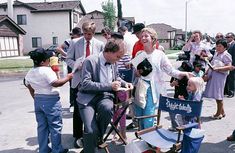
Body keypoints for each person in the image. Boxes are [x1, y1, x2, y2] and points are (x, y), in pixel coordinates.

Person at [77, 38, 133, 153]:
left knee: (107, 108)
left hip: (105, 97)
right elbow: (86, 84)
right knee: (90, 130)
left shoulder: (114, 62)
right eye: (118, 56)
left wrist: (124, 83)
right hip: (87, 98)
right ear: (109, 51)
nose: (119, 59)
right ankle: (93, 143)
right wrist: (109, 86)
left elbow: (116, 77)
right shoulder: (90, 60)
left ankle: (92, 143)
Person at [132, 28, 192, 130]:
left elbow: (170, 71)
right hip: (140, 88)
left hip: (153, 89)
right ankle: (143, 138)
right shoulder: (139, 54)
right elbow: (135, 73)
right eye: (142, 36)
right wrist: (137, 73)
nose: (143, 38)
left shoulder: (160, 55)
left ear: (153, 39)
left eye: (146, 36)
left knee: (149, 116)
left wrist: (184, 73)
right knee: (140, 115)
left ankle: (150, 139)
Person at [24, 48, 73, 153]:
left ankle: (43, 149)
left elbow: (28, 85)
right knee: (55, 126)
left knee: (42, 127)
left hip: (38, 100)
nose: (49, 60)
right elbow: (56, 83)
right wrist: (68, 77)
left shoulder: (30, 72)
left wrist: (36, 97)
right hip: (51, 101)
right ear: (43, 61)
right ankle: (57, 150)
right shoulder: (46, 70)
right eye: (48, 59)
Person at [66, 21, 104, 148]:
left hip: (93, 81)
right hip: (78, 80)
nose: (87, 36)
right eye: (85, 33)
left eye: (90, 34)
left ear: (94, 33)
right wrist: (76, 66)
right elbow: (68, 59)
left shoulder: (100, 44)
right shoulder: (74, 42)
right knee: (78, 109)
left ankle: (95, 135)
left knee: (94, 108)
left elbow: (102, 61)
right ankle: (77, 136)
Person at [203, 39, 234, 119]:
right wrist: (206, 73)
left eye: (220, 46)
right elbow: (211, 64)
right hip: (214, 76)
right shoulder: (216, 53)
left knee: (218, 94)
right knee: (217, 94)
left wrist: (218, 68)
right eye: (217, 46)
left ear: (225, 47)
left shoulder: (226, 55)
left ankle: (218, 114)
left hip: (220, 77)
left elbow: (229, 66)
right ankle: (222, 112)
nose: (218, 48)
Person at [56, 27, 82, 112]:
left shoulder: (82, 40)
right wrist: (67, 54)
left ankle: (80, 103)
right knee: (72, 84)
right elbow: (58, 48)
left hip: (81, 64)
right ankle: (72, 104)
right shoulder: (69, 41)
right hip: (72, 65)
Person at [168, 61, 193, 131]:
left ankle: (185, 128)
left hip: (186, 97)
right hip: (176, 96)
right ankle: (175, 126)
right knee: (172, 112)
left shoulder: (190, 78)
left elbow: (192, 89)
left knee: (184, 114)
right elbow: (171, 84)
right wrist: (173, 83)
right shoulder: (176, 74)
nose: (180, 73)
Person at [224, 32, 235, 98]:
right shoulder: (227, 45)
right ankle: (227, 91)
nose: (227, 38)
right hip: (227, 64)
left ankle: (231, 92)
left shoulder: (234, 45)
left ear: (233, 37)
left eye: (228, 37)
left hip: (232, 65)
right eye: (226, 37)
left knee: (231, 78)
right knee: (228, 78)